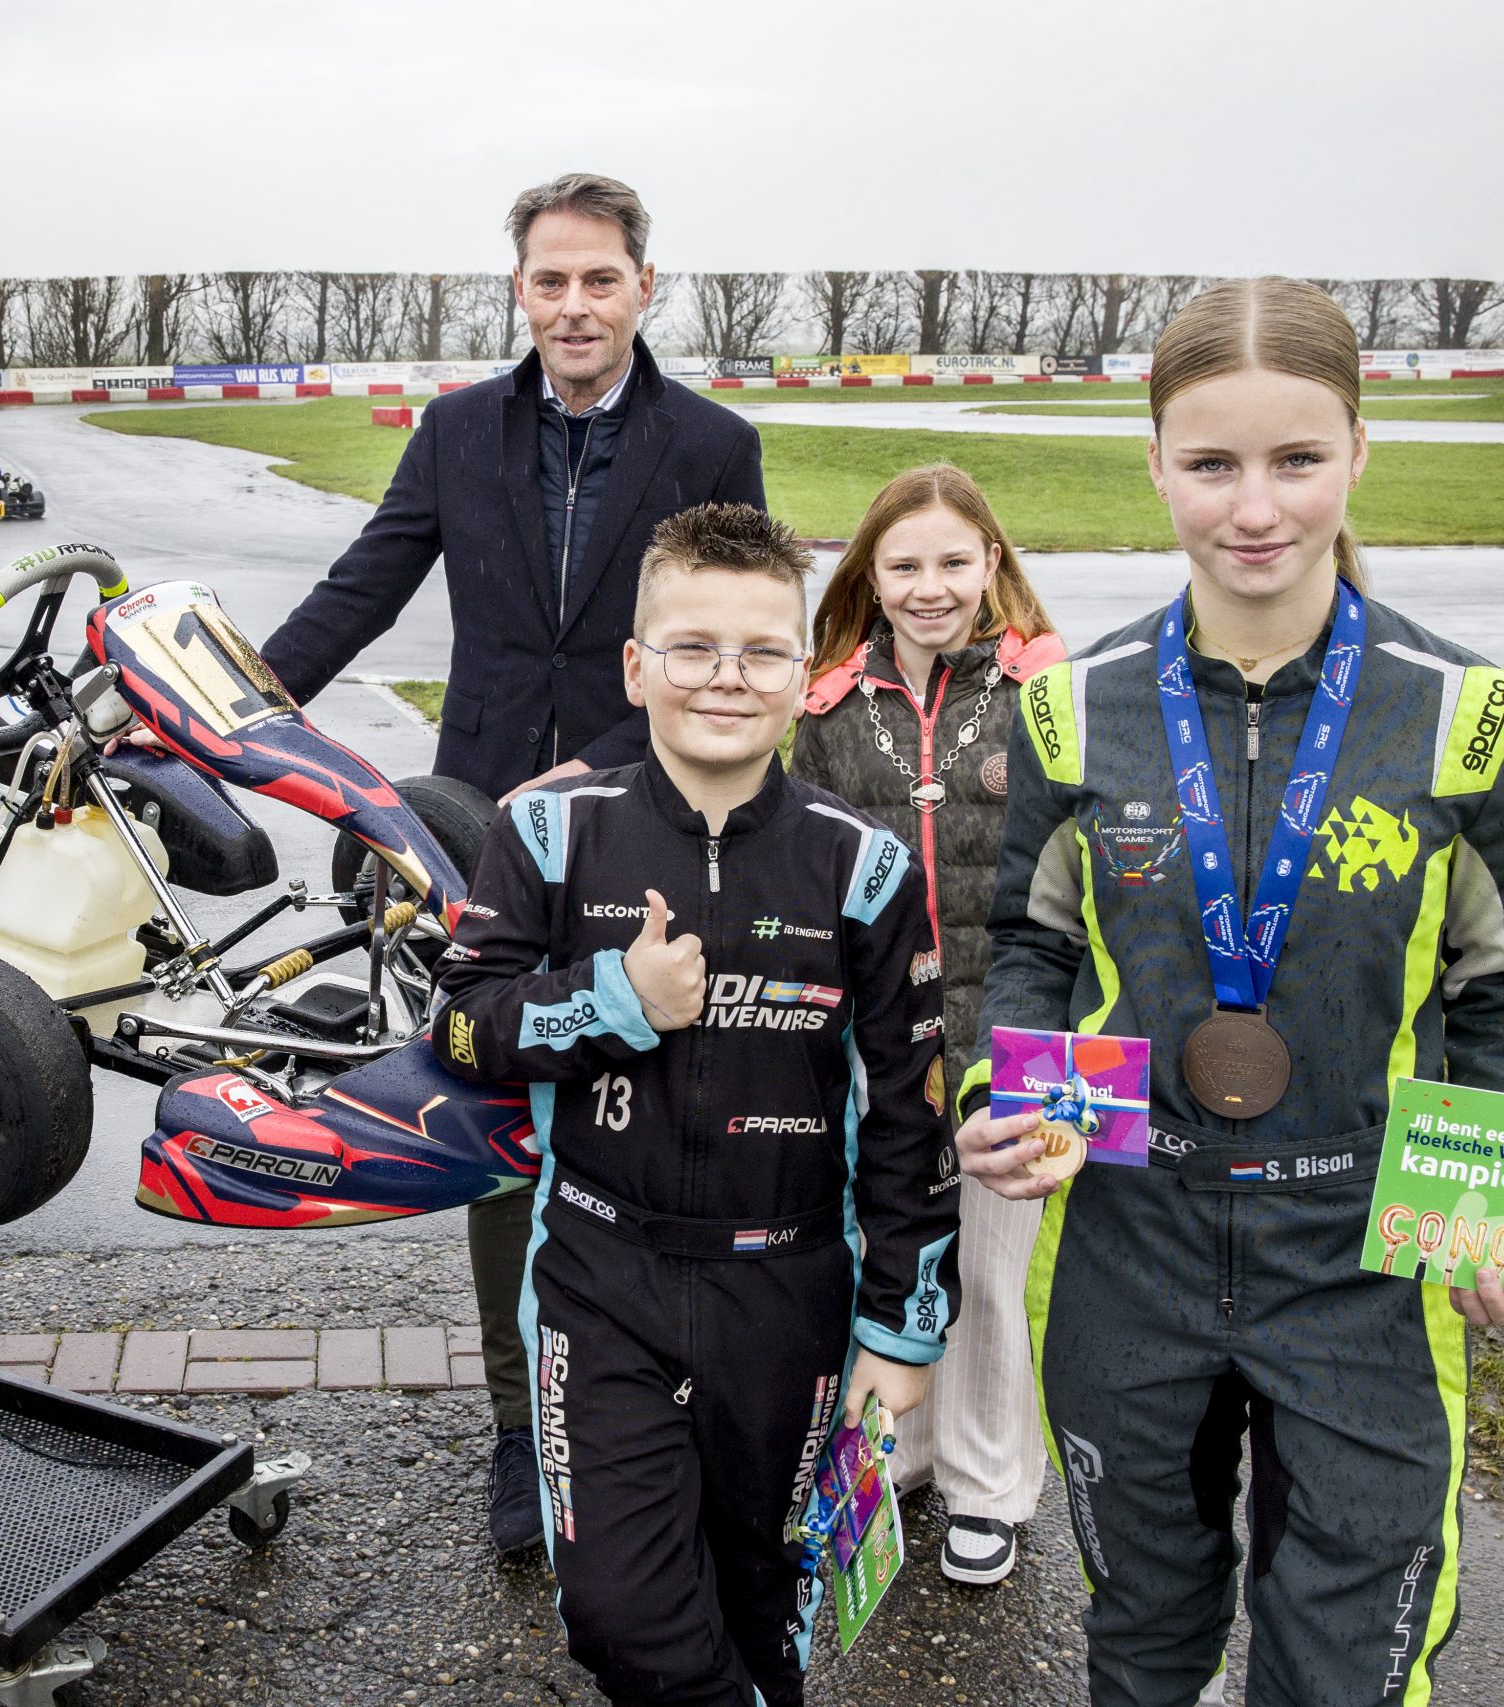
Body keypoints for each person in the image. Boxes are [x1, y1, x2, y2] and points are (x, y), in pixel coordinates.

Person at [956, 276, 1504, 1706]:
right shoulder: (1073, 705)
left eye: (1297, 459)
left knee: (1342, 1669)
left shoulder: (1469, 717)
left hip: (1366, 1253)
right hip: (1133, 1237)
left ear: (1360, 452)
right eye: (1212, 462)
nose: (1256, 506)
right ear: (1156, 463)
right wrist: (1009, 1086)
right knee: (1142, 1644)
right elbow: (1037, 941)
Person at [258, 172, 765, 1553]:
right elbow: (364, 585)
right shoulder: (457, 431)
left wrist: (600, 756)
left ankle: (663, 1401)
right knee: (503, 1101)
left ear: (644, 288)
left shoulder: (715, 441)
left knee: (657, 1100)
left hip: (647, 809)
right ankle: (518, 1428)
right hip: (481, 821)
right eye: (551, 280)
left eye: (600, 278)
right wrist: (230, 708)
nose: (575, 304)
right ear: (521, 292)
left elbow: (724, 638)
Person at [432, 502, 958, 1707]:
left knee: (767, 1611)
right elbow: (462, 1027)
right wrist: (614, 996)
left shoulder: (861, 863)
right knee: (621, 1619)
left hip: (788, 1299)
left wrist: (901, 1331)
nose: (726, 678)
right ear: (636, 666)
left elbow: (909, 1125)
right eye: (691, 647)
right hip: (597, 1282)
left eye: (761, 651)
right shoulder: (546, 830)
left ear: (803, 672)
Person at [788, 463, 1063, 1586]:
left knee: (995, 1266)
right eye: (903, 566)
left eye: (954, 562)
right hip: (879, 1032)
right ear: (871, 576)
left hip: (1018, 1025)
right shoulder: (828, 706)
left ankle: (990, 1482)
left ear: (990, 564)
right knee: (889, 1246)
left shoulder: (1048, 691)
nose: (929, 586)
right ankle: (899, 1450)